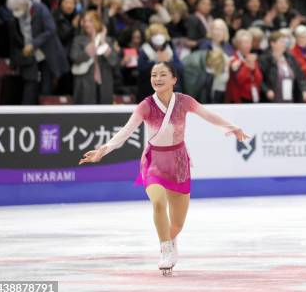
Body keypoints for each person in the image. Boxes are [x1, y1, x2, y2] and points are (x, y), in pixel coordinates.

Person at [78, 60, 248, 275]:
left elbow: (208, 115)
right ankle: (165, 248)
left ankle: (171, 239)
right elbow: (127, 130)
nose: (157, 79)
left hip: (178, 163)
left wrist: (233, 128)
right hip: (153, 162)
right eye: (154, 75)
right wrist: (104, 149)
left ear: (174, 80)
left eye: (162, 75)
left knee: (177, 224)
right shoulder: (146, 105)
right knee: (158, 203)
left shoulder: (184, 102)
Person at [6, 0, 69, 104]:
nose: (16, 12)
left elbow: (51, 30)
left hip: (45, 53)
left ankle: (45, 118)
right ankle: (26, 117)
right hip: (29, 56)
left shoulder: (40, 9)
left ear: (25, 3)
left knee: (46, 88)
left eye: (18, 8)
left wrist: (33, 44)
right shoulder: (14, 17)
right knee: (30, 85)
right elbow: (14, 39)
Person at [70, 11, 119, 104]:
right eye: (85, 21)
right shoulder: (78, 39)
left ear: (98, 23)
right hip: (85, 82)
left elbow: (114, 61)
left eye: (90, 21)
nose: (87, 24)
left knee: (105, 113)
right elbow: (75, 58)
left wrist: (103, 42)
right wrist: (91, 46)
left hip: (104, 82)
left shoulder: (107, 40)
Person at [258, 31, 306, 103]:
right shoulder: (265, 59)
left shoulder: (290, 58)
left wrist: (304, 90)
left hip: (291, 97)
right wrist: (266, 91)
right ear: (272, 44)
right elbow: (260, 79)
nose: (284, 44)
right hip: (273, 99)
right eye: (281, 42)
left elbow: (300, 76)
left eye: (285, 42)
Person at [225, 29, 263, 103]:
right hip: (238, 100)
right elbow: (239, 80)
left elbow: (259, 80)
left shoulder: (251, 58)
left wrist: (254, 69)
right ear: (238, 44)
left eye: (249, 43)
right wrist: (247, 66)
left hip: (253, 97)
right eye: (245, 43)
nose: (248, 45)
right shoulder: (233, 59)